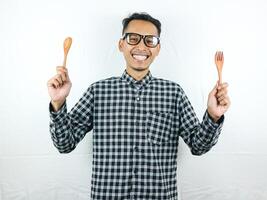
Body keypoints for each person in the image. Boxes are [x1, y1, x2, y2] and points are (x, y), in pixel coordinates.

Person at [47, 12, 230, 200]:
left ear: (158, 48)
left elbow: (198, 146)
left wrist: (213, 116)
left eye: (150, 40)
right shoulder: (97, 92)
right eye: (133, 38)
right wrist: (58, 102)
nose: (141, 46)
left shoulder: (174, 94)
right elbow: (64, 144)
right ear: (121, 45)